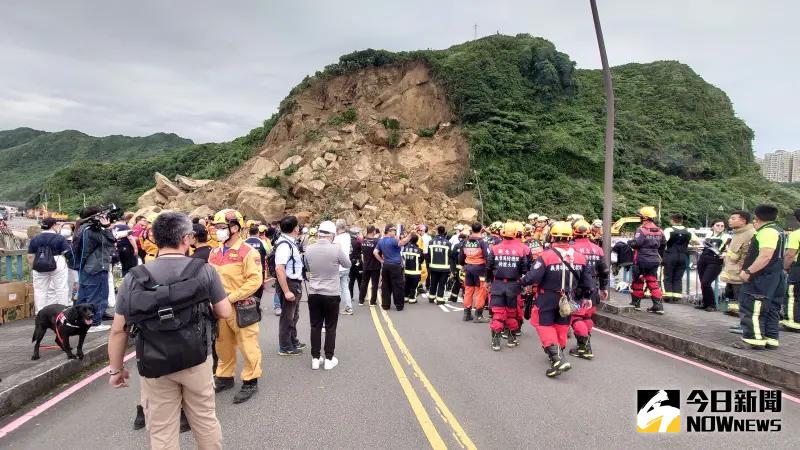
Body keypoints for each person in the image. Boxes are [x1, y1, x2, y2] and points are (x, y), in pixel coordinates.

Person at [108, 211, 231, 450]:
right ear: (186, 238)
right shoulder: (203, 270)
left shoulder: (134, 277)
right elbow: (224, 311)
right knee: (205, 420)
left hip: (154, 361)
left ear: (154, 237)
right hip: (196, 357)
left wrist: (116, 369)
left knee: (162, 429)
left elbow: (118, 330)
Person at [520, 221, 594, 377]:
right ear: (569, 237)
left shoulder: (546, 256)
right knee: (562, 325)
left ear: (552, 237)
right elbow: (587, 281)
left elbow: (532, 277)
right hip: (568, 297)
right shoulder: (580, 257)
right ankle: (559, 353)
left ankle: (558, 358)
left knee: (544, 325)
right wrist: (587, 297)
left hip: (547, 296)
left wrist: (521, 282)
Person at [208, 209, 263, 404]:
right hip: (219, 308)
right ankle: (224, 376)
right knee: (222, 344)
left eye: (222, 228)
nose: (218, 231)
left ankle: (250, 380)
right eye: (217, 228)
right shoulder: (214, 252)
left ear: (235, 228)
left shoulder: (248, 252)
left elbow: (255, 280)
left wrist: (231, 297)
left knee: (248, 344)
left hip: (240, 307)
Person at [734, 204, 785, 350]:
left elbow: (765, 256)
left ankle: (753, 339)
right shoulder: (779, 231)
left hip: (761, 277)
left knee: (753, 307)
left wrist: (748, 271)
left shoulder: (767, 232)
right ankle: (771, 338)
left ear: (757, 216)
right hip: (776, 276)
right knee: (771, 308)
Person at [303, 221, 351, 370]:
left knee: (315, 326)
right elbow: (347, 264)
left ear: (318, 233)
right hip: (331, 293)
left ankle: (315, 358)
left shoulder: (308, 249)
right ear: (331, 235)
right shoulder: (336, 249)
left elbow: (308, 267)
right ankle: (329, 358)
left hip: (314, 293)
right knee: (330, 327)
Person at [569, 220, 609, 359]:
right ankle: (584, 344)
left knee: (575, 317)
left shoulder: (571, 248)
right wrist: (603, 287)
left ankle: (584, 347)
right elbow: (604, 270)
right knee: (587, 316)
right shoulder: (597, 248)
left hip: (576, 287)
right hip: (593, 286)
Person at [487, 222, 529, 350]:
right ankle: (511, 339)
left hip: (498, 284)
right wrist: (524, 285)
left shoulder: (494, 248)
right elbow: (524, 270)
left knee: (498, 313)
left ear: (501, 233)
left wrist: (489, 282)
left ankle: (496, 342)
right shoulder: (521, 250)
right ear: (516, 234)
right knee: (511, 313)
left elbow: (488, 267)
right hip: (514, 285)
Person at [74, 206, 117, 332]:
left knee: (83, 295)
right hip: (96, 266)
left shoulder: (82, 228)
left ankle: (80, 320)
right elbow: (109, 242)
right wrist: (108, 227)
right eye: (101, 214)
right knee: (97, 295)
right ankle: (94, 323)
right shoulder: (92, 230)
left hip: (85, 266)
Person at [274, 215, 306, 355]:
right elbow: (279, 268)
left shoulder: (289, 242)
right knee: (288, 316)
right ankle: (285, 347)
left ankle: (292, 340)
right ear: (295, 228)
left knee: (294, 315)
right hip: (289, 283)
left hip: (294, 283)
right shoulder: (285, 245)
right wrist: (286, 291)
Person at [27, 217, 71, 313]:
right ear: (53, 225)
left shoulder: (35, 239)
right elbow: (68, 253)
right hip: (57, 260)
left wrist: (34, 265)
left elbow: (30, 256)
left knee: (40, 290)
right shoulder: (59, 238)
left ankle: (40, 313)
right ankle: (63, 312)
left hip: (38, 262)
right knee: (61, 288)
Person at [628, 206, 666, 314]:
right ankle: (658, 306)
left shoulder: (642, 230)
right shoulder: (659, 230)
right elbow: (663, 244)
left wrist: (629, 243)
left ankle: (636, 304)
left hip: (641, 258)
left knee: (638, 281)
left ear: (645, 218)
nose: (639, 218)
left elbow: (636, 244)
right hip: (654, 259)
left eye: (640, 216)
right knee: (652, 281)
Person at [722, 211, 755, 329]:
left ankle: (746, 326)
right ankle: (742, 323)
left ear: (743, 220)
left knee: (744, 301)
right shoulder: (737, 233)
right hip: (732, 274)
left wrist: (743, 271)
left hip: (740, 274)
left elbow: (747, 256)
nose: (729, 220)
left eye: (733, 218)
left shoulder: (750, 234)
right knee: (737, 300)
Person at [661, 213, 699, 302]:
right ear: (681, 221)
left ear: (672, 220)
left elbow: (663, 241)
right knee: (678, 277)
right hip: (683, 256)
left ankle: (668, 296)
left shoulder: (669, 230)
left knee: (668, 276)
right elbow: (697, 241)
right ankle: (676, 296)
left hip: (670, 255)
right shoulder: (688, 231)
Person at [375, 224, 412, 311]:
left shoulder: (381, 241)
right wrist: (410, 235)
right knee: (397, 286)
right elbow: (402, 242)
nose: (394, 232)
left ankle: (386, 305)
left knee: (386, 286)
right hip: (395, 266)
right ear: (389, 231)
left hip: (386, 266)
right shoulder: (393, 240)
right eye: (393, 231)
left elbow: (375, 252)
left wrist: (381, 261)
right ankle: (399, 305)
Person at [459, 222, 491, 323]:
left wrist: (464, 265)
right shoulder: (482, 242)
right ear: (481, 229)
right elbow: (488, 257)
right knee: (481, 291)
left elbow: (460, 257)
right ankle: (478, 315)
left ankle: (466, 314)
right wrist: (489, 269)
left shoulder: (465, 241)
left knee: (468, 290)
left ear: (471, 229)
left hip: (468, 268)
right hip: (480, 269)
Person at [696, 220, 729, 311]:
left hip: (715, 260)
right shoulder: (708, 235)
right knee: (703, 282)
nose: (720, 227)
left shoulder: (726, 236)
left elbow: (728, 248)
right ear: (713, 226)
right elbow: (705, 246)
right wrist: (701, 248)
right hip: (703, 259)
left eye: (722, 226)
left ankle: (712, 305)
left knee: (706, 282)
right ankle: (705, 303)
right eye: (718, 225)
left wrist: (725, 253)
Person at [782, 208, 800, 332]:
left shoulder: (796, 234)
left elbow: (790, 255)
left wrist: (785, 268)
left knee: (793, 295)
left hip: (798, 269)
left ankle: (793, 323)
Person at [427, 226, 451, 305]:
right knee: (442, 283)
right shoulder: (448, 243)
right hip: (444, 268)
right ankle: (439, 299)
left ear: (437, 231)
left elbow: (429, 255)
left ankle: (431, 297)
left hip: (433, 266)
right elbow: (450, 255)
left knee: (433, 282)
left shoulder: (431, 242)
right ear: (444, 232)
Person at [333, 219, 354, 315]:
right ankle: (348, 308)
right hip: (346, 265)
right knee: (345, 287)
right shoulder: (348, 236)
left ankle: (334, 308)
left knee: (335, 289)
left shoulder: (336, 239)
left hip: (337, 267)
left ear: (336, 228)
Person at [358, 226, 381, 306]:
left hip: (366, 265)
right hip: (375, 265)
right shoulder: (377, 241)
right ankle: (372, 301)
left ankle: (361, 300)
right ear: (374, 231)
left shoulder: (363, 241)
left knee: (364, 283)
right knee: (375, 284)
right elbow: (379, 252)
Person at [401, 234, 424, 304]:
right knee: (414, 286)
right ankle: (412, 298)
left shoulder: (405, 248)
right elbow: (422, 260)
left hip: (407, 271)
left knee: (407, 284)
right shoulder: (419, 250)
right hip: (415, 271)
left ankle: (405, 297)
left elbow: (403, 257)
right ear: (417, 241)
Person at [447, 230, 468, 302]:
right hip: (468, 267)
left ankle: (453, 297)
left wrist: (452, 270)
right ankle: (466, 298)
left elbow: (452, 257)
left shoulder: (457, 246)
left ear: (459, 239)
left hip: (459, 267)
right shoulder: (469, 245)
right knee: (466, 283)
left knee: (457, 282)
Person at [348, 228, 363, 300]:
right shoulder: (358, 242)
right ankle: (361, 297)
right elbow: (362, 249)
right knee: (360, 280)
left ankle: (350, 296)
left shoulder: (348, 242)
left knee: (351, 280)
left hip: (350, 262)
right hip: (358, 262)